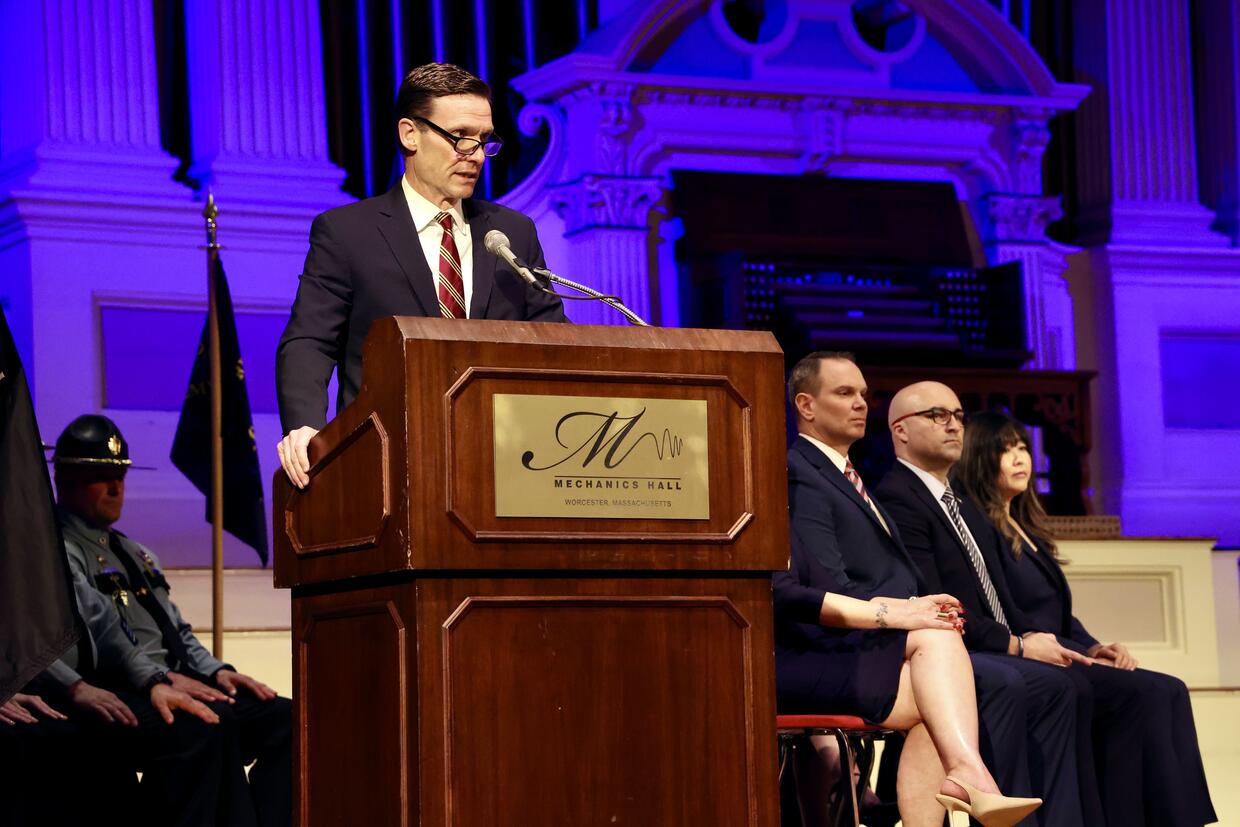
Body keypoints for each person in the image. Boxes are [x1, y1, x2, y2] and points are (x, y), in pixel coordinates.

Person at [777, 352, 1041, 827]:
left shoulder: (843, 475)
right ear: (806, 405)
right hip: (817, 651)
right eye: (844, 393)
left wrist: (917, 605)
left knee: (938, 702)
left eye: (863, 394)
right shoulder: (800, 473)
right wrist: (898, 613)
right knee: (940, 667)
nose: (861, 403)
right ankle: (968, 773)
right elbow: (818, 585)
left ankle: (961, 774)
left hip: (855, 645)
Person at [276, 62, 569, 487]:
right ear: (410, 134)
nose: (474, 154)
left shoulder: (511, 233)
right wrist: (305, 427)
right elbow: (311, 341)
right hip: (386, 459)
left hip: (503, 463)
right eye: (459, 137)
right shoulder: (347, 233)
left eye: (484, 140)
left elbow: (551, 338)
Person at [956, 410, 1218, 826]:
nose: (1020, 458)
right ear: (980, 459)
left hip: (1068, 649)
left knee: (1171, 689)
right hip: (1036, 656)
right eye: (1006, 450)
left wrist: (1096, 645)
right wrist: (1079, 653)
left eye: (1023, 447)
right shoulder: (978, 527)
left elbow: (1061, 615)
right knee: (1143, 694)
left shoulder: (1025, 528)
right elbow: (1011, 613)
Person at [51, 413, 292, 827]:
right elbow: (99, 631)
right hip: (124, 683)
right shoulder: (58, 550)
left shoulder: (138, 554)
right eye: (100, 476)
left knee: (283, 718)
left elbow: (175, 632)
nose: (116, 488)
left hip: (172, 677)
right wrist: (158, 680)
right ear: (65, 480)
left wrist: (216, 673)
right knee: (210, 727)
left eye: (121, 477)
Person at [872, 382, 1094, 826]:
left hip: (983, 642)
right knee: (1018, 682)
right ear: (900, 430)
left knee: (1065, 683)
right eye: (937, 416)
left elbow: (1004, 598)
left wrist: (1036, 638)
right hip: (942, 648)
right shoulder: (897, 497)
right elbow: (929, 596)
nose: (954, 424)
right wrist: (1015, 644)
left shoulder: (963, 506)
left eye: (958, 415)